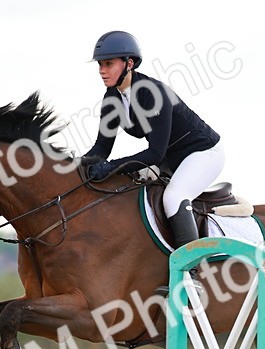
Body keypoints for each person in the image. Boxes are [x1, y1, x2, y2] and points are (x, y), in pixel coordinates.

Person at [83, 31, 224, 282]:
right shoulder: (112, 98)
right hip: (170, 160)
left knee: (173, 198)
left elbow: (154, 153)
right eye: (100, 65)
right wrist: (72, 167)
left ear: (129, 64)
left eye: (108, 63)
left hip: (202, 153)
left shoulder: (153, 92)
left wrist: (111, 167)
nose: (102, 71)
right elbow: (101, 150)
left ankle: (193, 277)